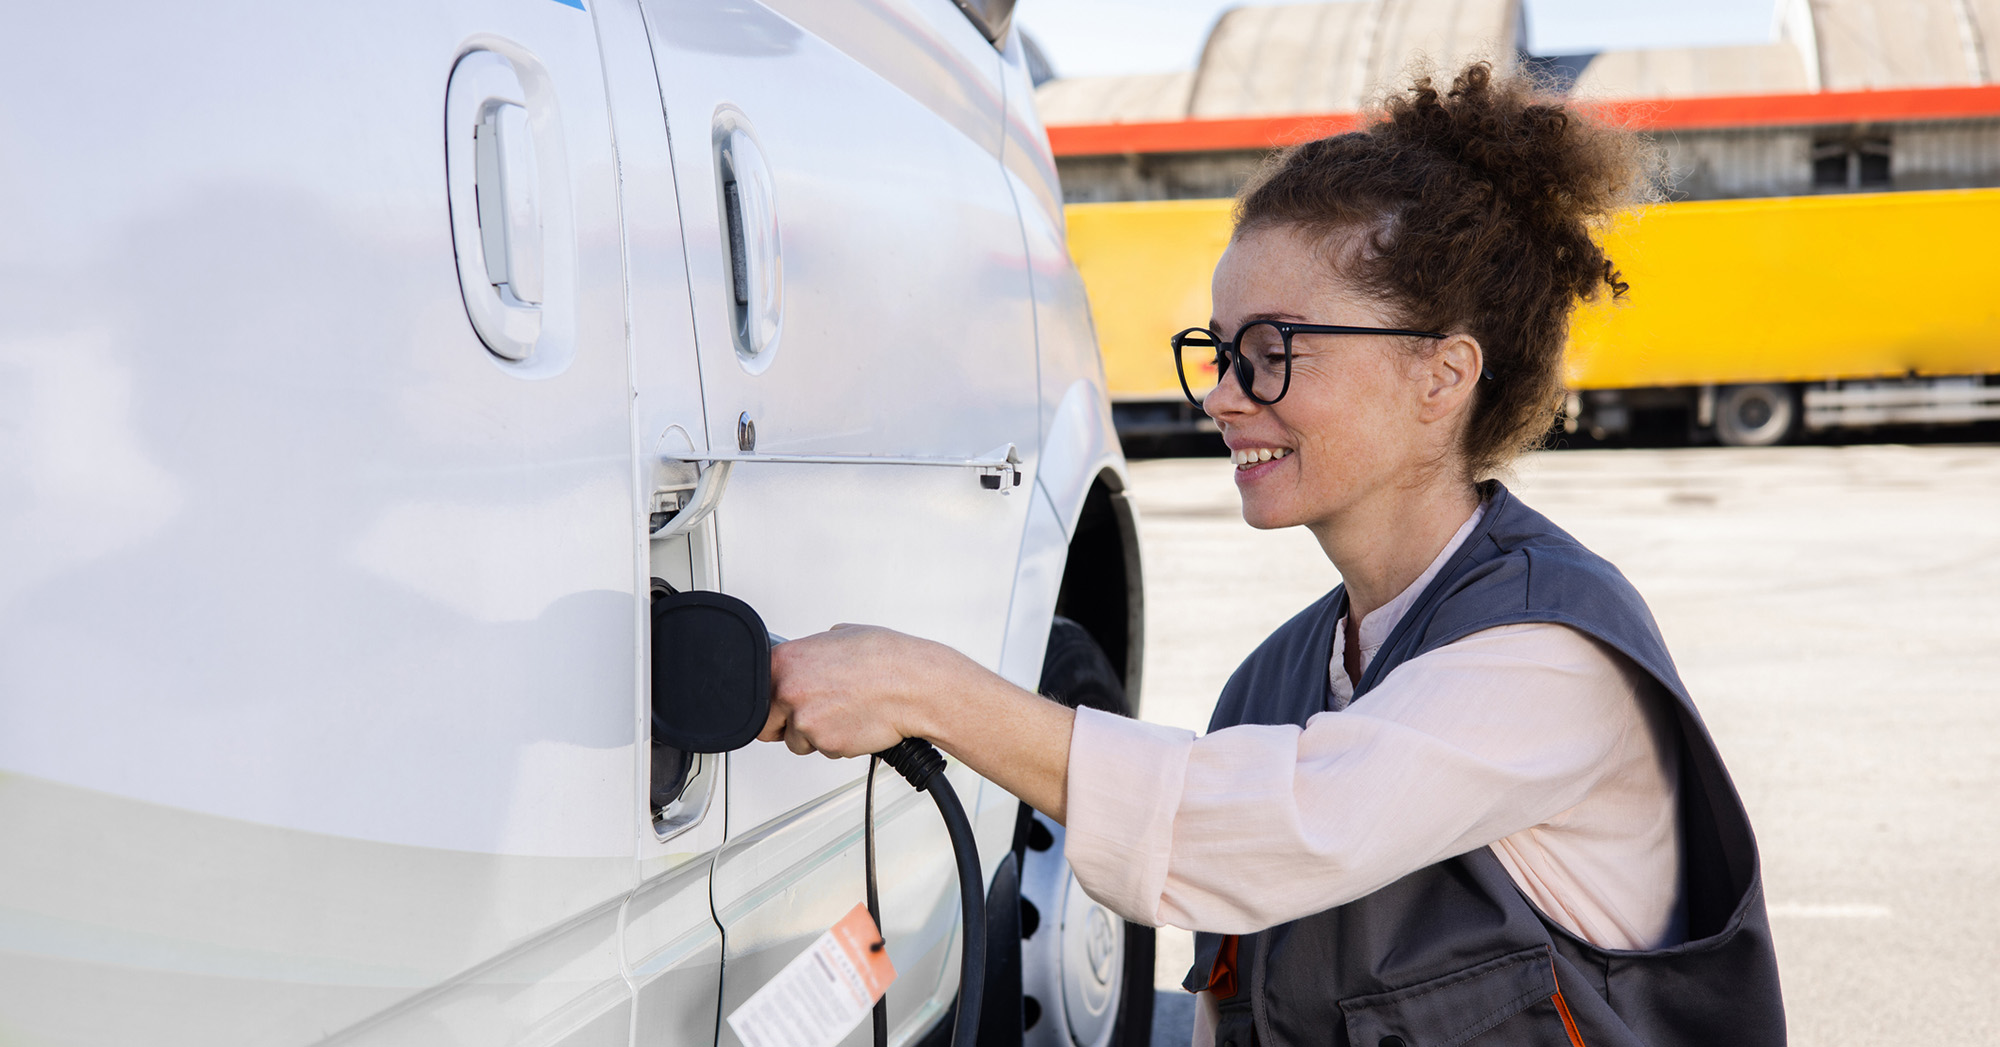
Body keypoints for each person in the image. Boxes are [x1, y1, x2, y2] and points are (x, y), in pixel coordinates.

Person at [762, 63, 1785, 1047]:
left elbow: (1258, 828)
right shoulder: (1272, 686)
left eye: (1270, 350)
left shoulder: (1552, 659)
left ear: (1441, 375)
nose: (1218, 393)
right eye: (1216, 351)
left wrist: (924, 688)